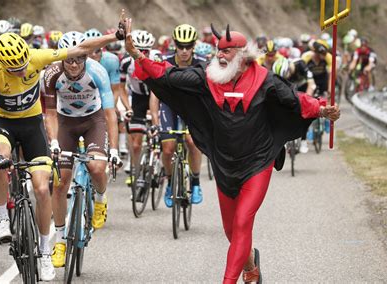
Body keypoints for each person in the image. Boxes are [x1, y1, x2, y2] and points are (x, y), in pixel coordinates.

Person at [123, 18, 340, 283]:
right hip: (224, 164)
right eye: (218, 50)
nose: (219, 55)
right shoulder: (206, 77)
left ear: (242, 55)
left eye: (225, 51)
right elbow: (167, 74)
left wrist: (320, 108)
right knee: (231, 231)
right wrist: (136, 54)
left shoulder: (265, 80)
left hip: (258, 163)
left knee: (241, 224)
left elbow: (293, 98)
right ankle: (251, 268)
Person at [0, 15, 126, 280]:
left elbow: (80, 49)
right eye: (15, 70)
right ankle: (1, 217)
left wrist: (115, 37)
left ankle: (45, 252)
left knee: (41, 186)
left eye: (25, 64)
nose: (23, 71)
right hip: (4, 124)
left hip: (33, 123)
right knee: (0, 159)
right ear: (1, 65)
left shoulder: (38, 57)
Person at [43, 31, 120, 267]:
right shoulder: (51, 74)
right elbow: (51, 114)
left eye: (79, 59)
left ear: (86, 57)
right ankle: (61, 242)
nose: (74, 64)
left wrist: (114, 150)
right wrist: (54, 142)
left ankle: (99, 198)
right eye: (70, 59)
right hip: (65, 123)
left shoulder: (97, 72)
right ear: (63, 58)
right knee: (59, 183)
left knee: (97, 167)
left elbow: (109, 114)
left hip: (93, 120)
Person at [149, 24, 205, 207]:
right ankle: (171, 181)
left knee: (191, 141)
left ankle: (195, 182)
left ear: (194, 46)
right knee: (168, 148)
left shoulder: (201, 63)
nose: (184, 50)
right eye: (180, 46)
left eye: (188, 46)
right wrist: (155, 121)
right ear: (175, 45)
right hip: (169, 108)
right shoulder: (165, 62)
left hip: (192, 110)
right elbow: (155, 93)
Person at [118, 29, 155, 184]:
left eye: (145, 51)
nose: (142, 53)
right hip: (138, 99)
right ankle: (134, 170)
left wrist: (154, 114)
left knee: (158, 138)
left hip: (156, 96)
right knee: (135, 142)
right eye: (138, 50)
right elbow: (121, 88)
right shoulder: (126, 62)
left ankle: (156, 165)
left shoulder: (156, 58)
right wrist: (128, 108)